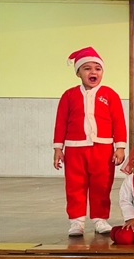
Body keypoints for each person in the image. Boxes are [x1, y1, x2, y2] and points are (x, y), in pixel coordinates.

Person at [53, 47, 127, 236]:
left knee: (102, 185)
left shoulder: (110, 95)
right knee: (74, 185)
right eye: (87, 68)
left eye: (97, 68)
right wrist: (58, 148)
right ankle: (76, 221)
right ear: (78, 72)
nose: (93, 72)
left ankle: (100, 219)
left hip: (103, 149)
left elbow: (119, 122)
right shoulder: (69, 95)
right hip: (74, 149)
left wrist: (120, 147)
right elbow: (60, 122)